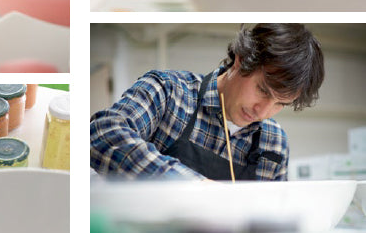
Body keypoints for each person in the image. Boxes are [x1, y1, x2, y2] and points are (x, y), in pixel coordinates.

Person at [90, 24, 325, 180]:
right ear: (241, 61)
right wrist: (192, 187)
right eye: (262, 90)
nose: (263, 111)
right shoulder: (170, 92)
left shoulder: (274, 145)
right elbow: (101, 133)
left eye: (280, 104)